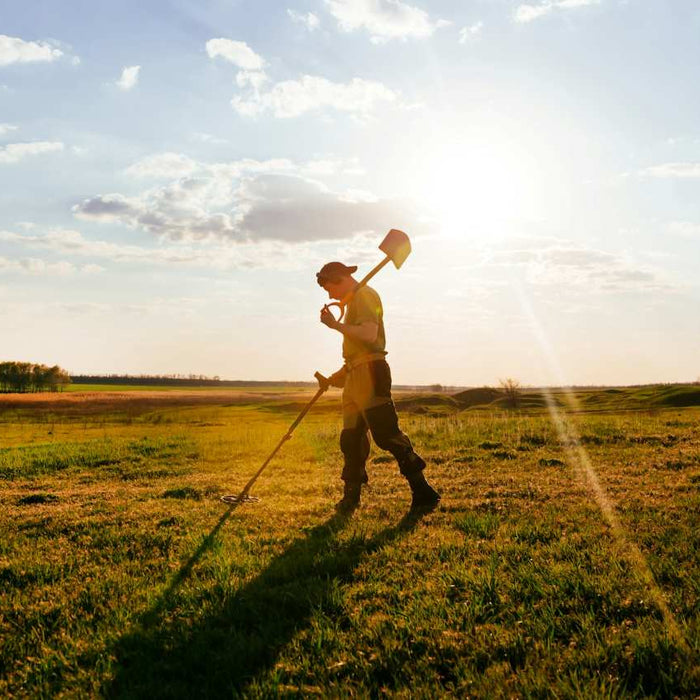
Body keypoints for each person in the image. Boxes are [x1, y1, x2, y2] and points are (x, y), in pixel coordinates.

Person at [316, 261, 441, 513]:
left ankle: (423, 491)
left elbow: (369, 336)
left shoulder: (365, 295)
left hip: (372, 374)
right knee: (351, 439)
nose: (329, 296)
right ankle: (351, 499)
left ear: (339, 278)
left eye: (329, 288)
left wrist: (335, 325)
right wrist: (339, 375)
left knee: (386, 434)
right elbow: (357, 349)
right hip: (355, 373)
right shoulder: (353, 300)